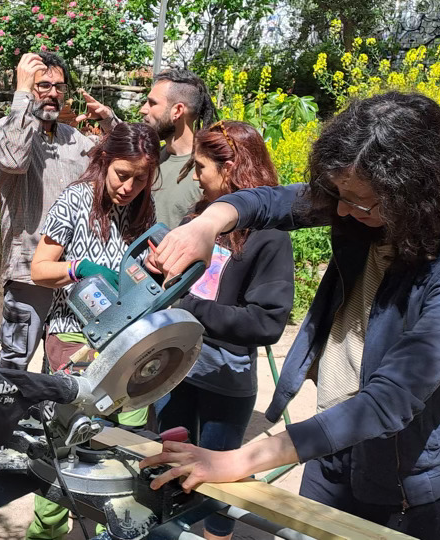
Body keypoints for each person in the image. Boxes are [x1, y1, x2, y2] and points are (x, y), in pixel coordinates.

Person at [141, 92, 440, 540]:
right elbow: (276, 202)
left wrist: (242, 457)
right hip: (331, 450)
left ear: (413, 192)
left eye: (357, 201)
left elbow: (391, 398)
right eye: (337, 194)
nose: (338, 210)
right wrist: (207, 223)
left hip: (410, 479)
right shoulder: (361, 201)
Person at [153, 121, 294, 540]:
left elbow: (266, 321)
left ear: (230, 168)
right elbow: (174, 284)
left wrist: (189, 306)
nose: (195, 176)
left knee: (217, 486)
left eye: (200, 167)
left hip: (223, 381)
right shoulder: (198, 217)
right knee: (169, 466)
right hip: (175, 370)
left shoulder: (269, 236)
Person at [24, 122, 159, 539]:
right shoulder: (75, 199)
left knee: (127, 433)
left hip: (125, 336)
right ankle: (47, 529)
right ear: (103, 162)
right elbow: (37, 269)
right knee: (69, 432)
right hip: (73, 335)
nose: (129, 187)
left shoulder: (143, 208)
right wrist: (76, 269)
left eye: (141, 179)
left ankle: (113, 526)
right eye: (123, 175)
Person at [0, 51, 118, 372]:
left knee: (69, 359)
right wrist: (21, 94)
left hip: (73, 275)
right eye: (42, 85)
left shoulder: (74, 138)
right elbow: (12, 160)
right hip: (28, 275)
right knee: (15, 360)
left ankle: (48, 421)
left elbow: (125, 164)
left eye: (59, 87)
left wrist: (109, 122)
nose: (52, 94)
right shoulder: (8, 132)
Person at [139, 69, 216, 227]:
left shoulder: (206, 172)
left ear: (178, 111)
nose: (143, 109)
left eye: (152, 103)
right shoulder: (154, 157)